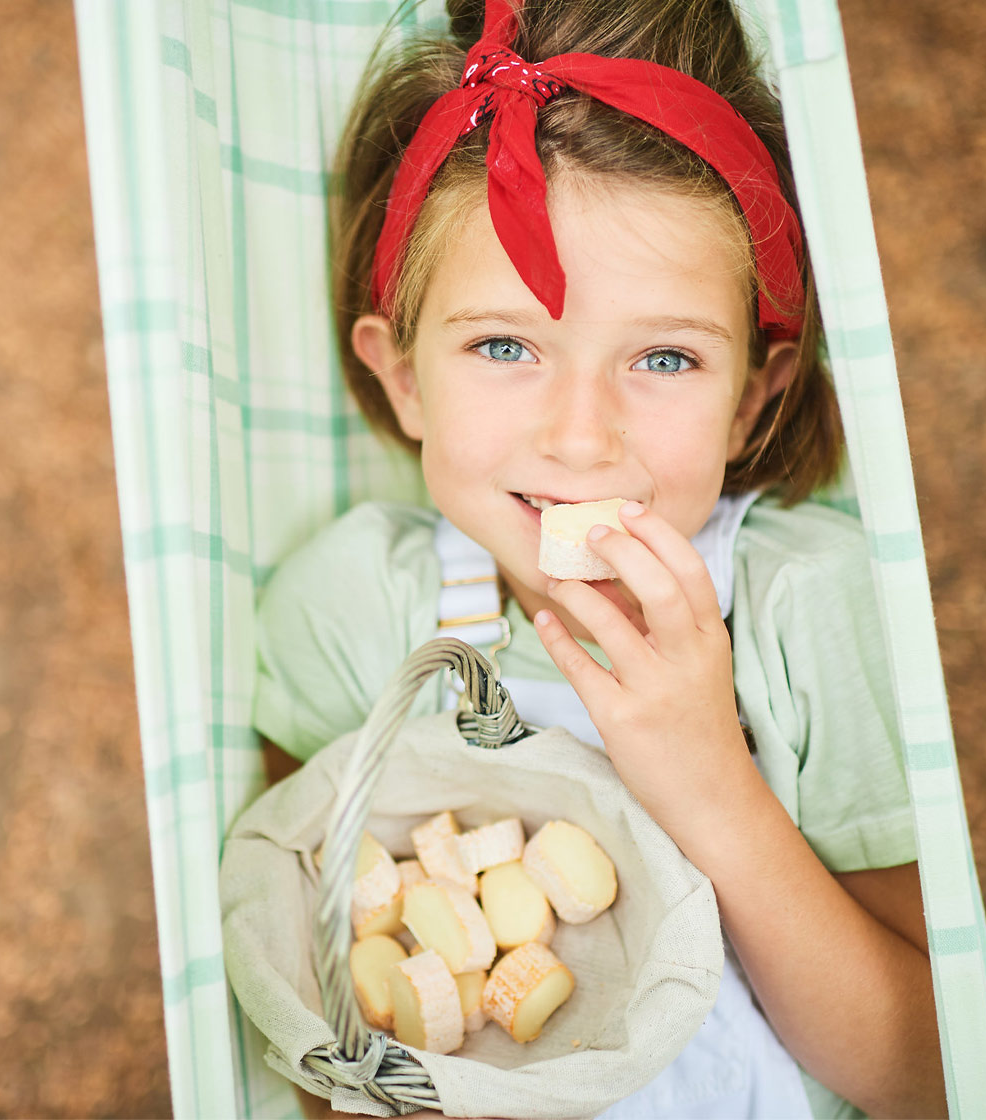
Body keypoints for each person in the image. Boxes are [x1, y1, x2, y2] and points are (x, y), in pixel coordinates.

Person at [254, 0, 945, 1115]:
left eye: (665, 357)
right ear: (402, 378)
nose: (581, 437)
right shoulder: (353, 613)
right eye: (505, 345)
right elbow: (313, 1006)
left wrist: (709, 781)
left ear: (751, 400)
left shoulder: (811, 611)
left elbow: (932, 1075)